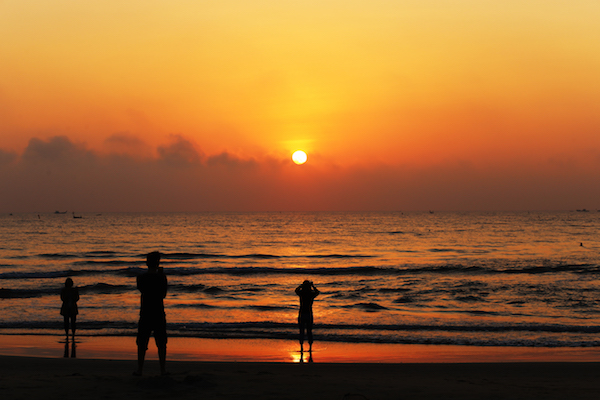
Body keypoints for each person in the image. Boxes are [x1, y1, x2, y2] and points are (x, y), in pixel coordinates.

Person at [134, 251, 168, 376]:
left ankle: (140, 369)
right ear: (158, 263)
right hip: (158, 311)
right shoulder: (161, 277)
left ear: (147, 262)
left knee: (142, 342)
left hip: (145, 312)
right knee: (161, 342)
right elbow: (163, 294)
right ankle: (162, 370)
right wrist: (160, 275)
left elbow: (141, 289)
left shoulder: (141, 278)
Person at [295, 280, 320, 352]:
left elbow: (296, 290)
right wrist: (313, 286)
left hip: (302, 313)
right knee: (309, 331)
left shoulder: (302, 293)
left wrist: (301, 286)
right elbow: (317, 292)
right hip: (309, 313)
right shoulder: (310, 294)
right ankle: (310, 347)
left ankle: (302, 347)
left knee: (301, 331)